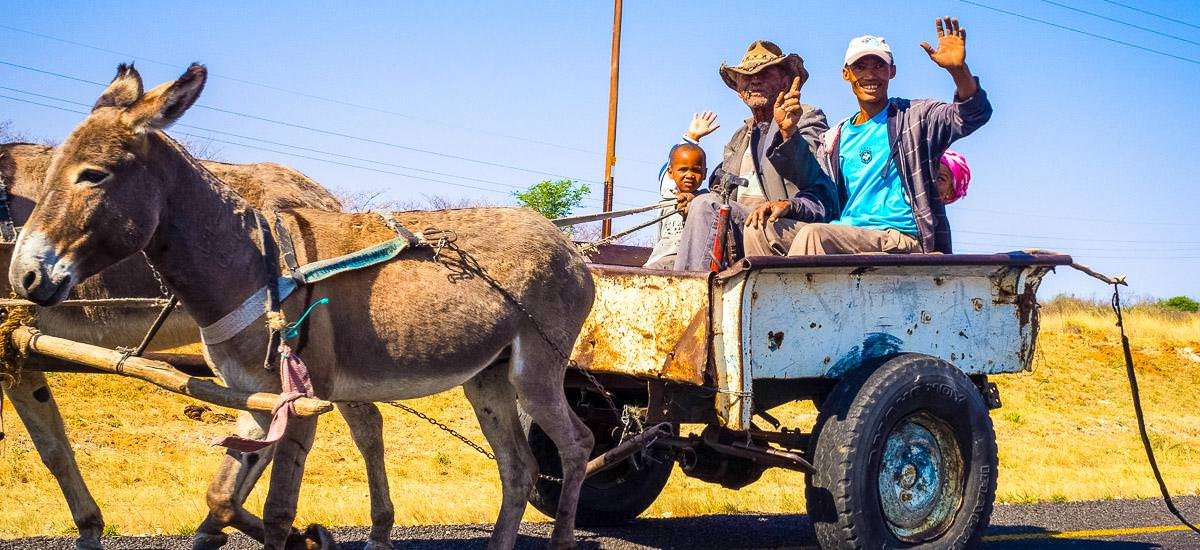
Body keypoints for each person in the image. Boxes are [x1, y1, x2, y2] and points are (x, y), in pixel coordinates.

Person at [746, 17, 991, 256]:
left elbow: (970, 116)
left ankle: (793, 298)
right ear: (846, 74)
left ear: (891, 71)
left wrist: (959, 72)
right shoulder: (836, 138)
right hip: (846, 233)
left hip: (899, 239)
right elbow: (821, 194)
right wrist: (789, 200)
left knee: (814, 235)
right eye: (860, 67)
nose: (870, 75)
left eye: (879, 66)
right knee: (760, 228)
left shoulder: (916, 118)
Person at [672, 40, 838, 271]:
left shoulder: (805, 118)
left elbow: (814, 178)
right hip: (739, 232)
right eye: (747, 76)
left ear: (785, 81)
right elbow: (721, 194)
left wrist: (788, 133)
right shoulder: (739, 138)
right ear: (739, 89)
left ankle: (693, 298)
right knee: (664, 258)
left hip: (785, 226)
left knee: (705, 207)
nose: (755, 80)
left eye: (765, 72)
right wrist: (695, 199)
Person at [643, 138, 709, 269]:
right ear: (670, 173)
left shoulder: (706, 202)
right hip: (658, 260)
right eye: (683, 169)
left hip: (684, 262)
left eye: (696, 170)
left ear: (705, 173)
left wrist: (692, 206)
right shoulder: (666, 198)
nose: (689, 175)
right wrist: (690, 137)